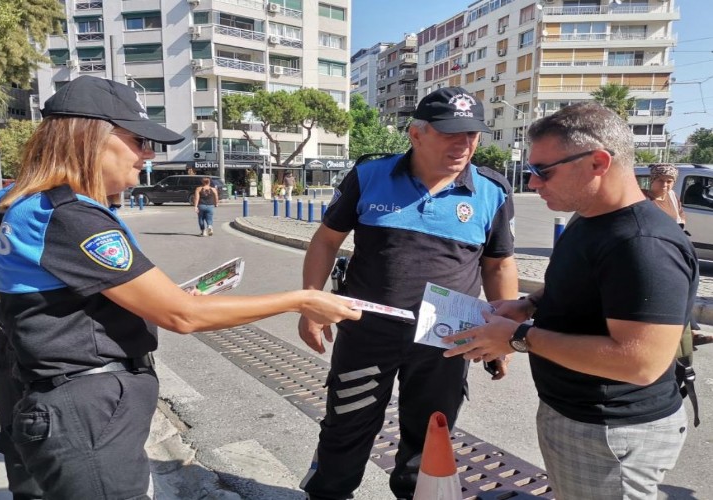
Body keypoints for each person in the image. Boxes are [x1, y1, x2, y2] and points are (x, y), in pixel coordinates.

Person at [0, 75, 361, 500]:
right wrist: (302, 299)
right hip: (84, 410)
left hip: (69, 402)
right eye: (138, 140)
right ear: (89, 137)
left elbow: (60, 301)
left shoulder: (26, 203)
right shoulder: (70, 217)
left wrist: (163, 302)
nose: (147, 154)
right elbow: (182, 316)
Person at [443, 102, 697, 500]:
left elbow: (641, 362)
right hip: (579, 418)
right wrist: (527, 305)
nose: (533, 183)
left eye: (543, 171)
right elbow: (583, 285)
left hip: (611, 433)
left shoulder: (643, 245)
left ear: (597, 162)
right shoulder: (590, 217)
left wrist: (519, 337)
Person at [297, 87, 518, 500]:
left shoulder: (492, 191)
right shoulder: (369, 176)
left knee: (432, 433)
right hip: (367, 333)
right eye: (451, 133)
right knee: (347, 423)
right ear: (416, 134)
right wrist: (311, 302)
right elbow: (326, 240)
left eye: (472, 134)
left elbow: (499, 264)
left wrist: (503, 335)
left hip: (447, 339)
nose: (463, 144)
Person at [0, 185, 44, 499]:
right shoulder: (45, 206)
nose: (146, 155)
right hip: (42, 361)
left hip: (15, 348)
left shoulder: (3, 202)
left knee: (27, 465)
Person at [644, 163, 711, 347]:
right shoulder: (644, 199)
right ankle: (688, 332)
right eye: (660, 180)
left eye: (669, 181)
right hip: (654, 252)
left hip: (674, 250)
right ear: (652, 180)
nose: (664, 185)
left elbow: (681, 219)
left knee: (689, 284)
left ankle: (689, 331)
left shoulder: (673, 197)